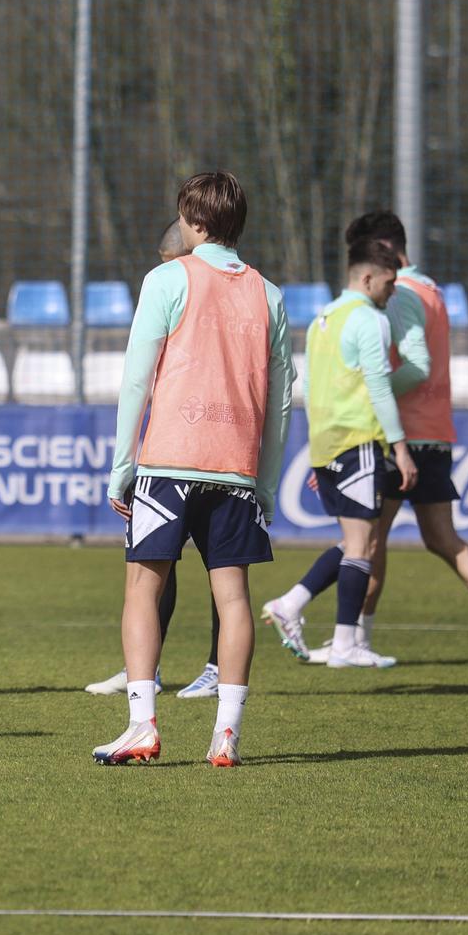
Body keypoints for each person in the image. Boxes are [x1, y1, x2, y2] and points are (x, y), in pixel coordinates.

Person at [100, 173, 290, 768]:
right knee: (233, 597)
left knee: (142, 587)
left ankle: (141, 726)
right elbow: (282, 399)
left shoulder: (167, 278)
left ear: (194, 219)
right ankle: (226, 734)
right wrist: (268, 482)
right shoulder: (270, 294)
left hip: (169, 459)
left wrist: (120, 467)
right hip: (236, 466)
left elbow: (137, 377)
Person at [281, 212, 468, 668]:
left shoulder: (397, 296)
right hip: (434, 430)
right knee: (437, 538)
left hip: (401, 436)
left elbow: (411, 367)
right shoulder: (432, 290)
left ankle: (346, 635)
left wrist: (358, 394)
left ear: (384, 253)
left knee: (366, 541)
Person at [260, 238, 416, 671]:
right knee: (363, 544)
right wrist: (400, 448)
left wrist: (318, 449)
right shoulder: (369, 319)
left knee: (355, 542)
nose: (393, 291)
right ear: (367, 278)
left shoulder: (322, 319)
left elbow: (312, 388)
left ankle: (301, 611)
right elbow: (379, 386)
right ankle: (336, 636)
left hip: (328, 444)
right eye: (389, 282)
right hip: (358, 440)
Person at [85, 219, 223, 700]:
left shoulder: (215, 292)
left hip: (200, 447)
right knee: (162, 563)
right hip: (178, 446)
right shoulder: (172, 287)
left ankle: (217, 667)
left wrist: (122, 469)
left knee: (222, 570)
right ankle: (146, 667)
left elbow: (136, 381)